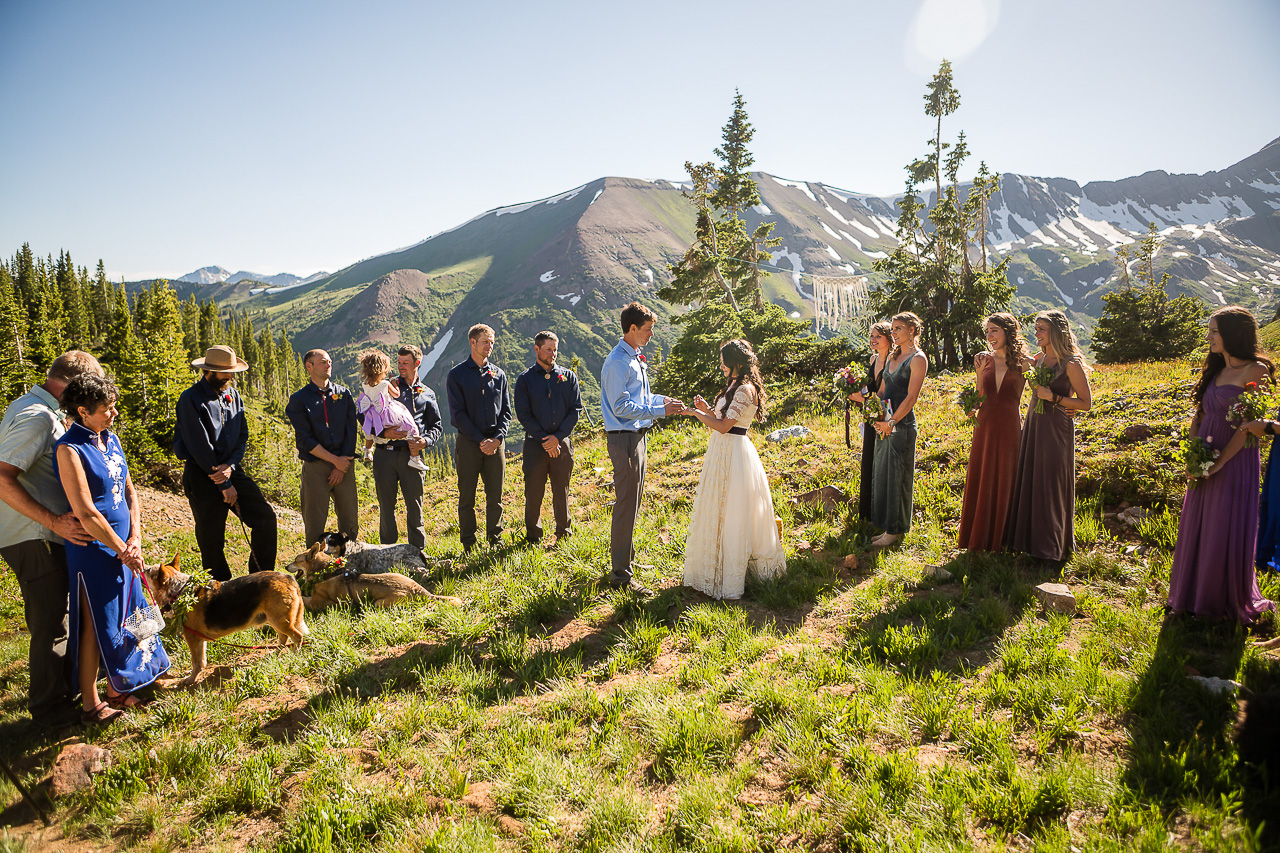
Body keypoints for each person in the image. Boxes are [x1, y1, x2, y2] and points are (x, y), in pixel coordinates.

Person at [55, 373, 170, 723]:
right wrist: (122, 548)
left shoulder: (112, 440)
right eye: (107, 409)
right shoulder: (69, 449)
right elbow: (86, 511)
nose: (114, 414)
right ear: (83, 411)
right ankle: (93, 703)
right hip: (93, 549)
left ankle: (135, 679)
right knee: (96, 622)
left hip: (125, 544)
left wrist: (135, 537)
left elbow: (130, 492)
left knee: (135, 613)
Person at [0, 350, 103, 729]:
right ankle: (49, 712)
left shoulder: (40, 408)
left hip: (41, 532)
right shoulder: (37, 416)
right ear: (73, 384)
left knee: (60, 613)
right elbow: (2, 475)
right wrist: (52, 522)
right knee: (51, 620)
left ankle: (66, 693)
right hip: (34, 534)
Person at [1168, 306, 1274, 623]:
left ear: (1232, 333)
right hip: (1204, 455)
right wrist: (1193, 456)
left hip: (1235, 459)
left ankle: (1217, 604)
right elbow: (1198, 416)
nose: (1209, 336)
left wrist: (1218, 465)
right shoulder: (1215, 370)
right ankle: (1191, 597)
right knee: (1199, 524)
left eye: (1214, 330)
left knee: (1222, 525)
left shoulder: (1256, 371)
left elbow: (1249, 428)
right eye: (1210, 330)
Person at [681, 340, 786, 599]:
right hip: (722, 450)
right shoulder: (733, 387)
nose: (721, 366)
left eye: (724, 361)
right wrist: (707, 409)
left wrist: (695, 413)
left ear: (736, 362)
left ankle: (734, 576)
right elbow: (721, 420)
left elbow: (726, 427)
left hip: (735, 452)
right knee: (720, 507)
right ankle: (717, 567)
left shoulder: (745, 390)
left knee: (735, 511)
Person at [174, 345, 277, 581]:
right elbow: (198, 445)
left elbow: (242, 435)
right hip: (201, 474)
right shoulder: (190, 399)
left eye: (232, 372)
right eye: (225, 373)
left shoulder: (234, 396)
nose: (230, 377)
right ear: (208, 371)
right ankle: (221, 591)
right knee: (211, 539)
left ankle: (259, 581)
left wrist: (230, 466)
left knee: (265, 518)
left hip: (231, 470)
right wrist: (222, 483)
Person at [600, 302, 684, 591]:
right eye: (647, 330)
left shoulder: (634, 356)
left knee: (633, 502)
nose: (651, 335)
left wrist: (664, 402)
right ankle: (620, 576)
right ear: (632, 329)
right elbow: (622, 407)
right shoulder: (617, 363)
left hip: (637, 436)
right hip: (624, 438)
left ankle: (626, 560)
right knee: (625, 505)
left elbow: (642, 396)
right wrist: (660, 411)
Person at [1003, 310, 1092, 564]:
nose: (1037, 333)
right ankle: (1030, 544)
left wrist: (1054, 397)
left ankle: (1051, 550)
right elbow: (1008, 358)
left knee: (1051, 483)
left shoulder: (1070, 363)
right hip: (1035, 424)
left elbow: (1085, 403)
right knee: (1033, 479)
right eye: (1036, 328)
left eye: (1041, 328)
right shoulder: (1038, 359)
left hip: (1056, 429)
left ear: (1056, 331)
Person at [956, 313, 1031, 551]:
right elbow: (977, 400)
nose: (989, 337)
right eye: (987, 332)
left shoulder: (1026, 363)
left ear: (1008, 332)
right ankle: (979, 538)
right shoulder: (982, 361)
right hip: (985, 427)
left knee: (1007, 479)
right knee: (983, 476)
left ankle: (1005, 540)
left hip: (1010, 427)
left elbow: (1043, 390)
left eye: (994, 331)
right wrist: (973, 397)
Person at [513, 331, 582, 545]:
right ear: (536, 349)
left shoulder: (568, 376)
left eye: (555, 349)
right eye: (548, 349)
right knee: (533, 491)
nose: (553, 354)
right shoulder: (525, 380)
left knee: (562, 490)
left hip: (562, 445)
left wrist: (558, 438)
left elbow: (575, 409)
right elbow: (523, 414)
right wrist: (545, 439)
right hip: (535, 445)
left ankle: (563, 532)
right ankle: (533, 535)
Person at [447, 324, 512, 551]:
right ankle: (469, 544)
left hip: (496, 443)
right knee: (467, 498)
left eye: (492, 342)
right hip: (468, 443)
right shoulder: (457, 375)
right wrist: (480, 440)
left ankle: (496, 539)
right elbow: (457, 415)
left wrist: (497, 439)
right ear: (472, 342)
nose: (489, 346)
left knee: (495, 496)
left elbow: (506, 412)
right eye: (485, 341)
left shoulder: (499, 374)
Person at [371, 344, 442, 551]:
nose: (401, 367)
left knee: (415, 506)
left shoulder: (427, 393)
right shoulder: (387, 387)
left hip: (412, 456)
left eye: (405, 363)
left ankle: (418, 553)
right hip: (385, 455)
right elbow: (366, 416)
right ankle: (388, 553)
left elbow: (436, 425)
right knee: (386, 508)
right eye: (399, 362)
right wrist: (384, 434)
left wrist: (425, 441)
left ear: (417, 364)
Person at [285, 349, 358, 547]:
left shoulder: (343, 394)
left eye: (329, 362)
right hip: (316, 466)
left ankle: (349, 563)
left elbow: (352, 431)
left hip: (345, 464)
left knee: (350, 521)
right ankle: (314, 568)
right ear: (309, 366)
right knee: (315, 523)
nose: (328, 365)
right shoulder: (299, 399)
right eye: (323, 362)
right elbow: (305, 439)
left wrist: (342, 463)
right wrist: (335, 462)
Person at [869, 312, 928, 548]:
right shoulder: (893, 355)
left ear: (912, 330)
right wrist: (874, 413)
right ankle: (885, 525)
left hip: (901, 425)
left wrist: (891, 422)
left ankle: (896, 530)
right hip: (883, 422)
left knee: (898, 477)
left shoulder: (918, 359)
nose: (893, 333)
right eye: (892, 329)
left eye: (898, 329)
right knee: (883, 472)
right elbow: (883, 390)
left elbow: (912, 397)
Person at [848, 321, 892, 520]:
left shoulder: (893, 360)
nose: (873, 339)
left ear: (889, 339)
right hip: (871, 415)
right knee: (869, 459)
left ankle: (882, 512)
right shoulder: (874, 359)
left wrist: (863, 399)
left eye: (878, 336)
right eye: (872, 335)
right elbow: (870, 388)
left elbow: (888, 392)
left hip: (886, 416)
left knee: (882, 462)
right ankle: (867, 512)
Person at [357, 350, 427, 472]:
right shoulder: (384, 384)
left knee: (369, 431)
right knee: (410, 426)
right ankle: (415, 457)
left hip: (371, 413)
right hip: (387, 413)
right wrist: (393, 381)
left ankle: (368, 450)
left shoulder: (365, 383)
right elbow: (396, 394)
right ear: (382, 369)